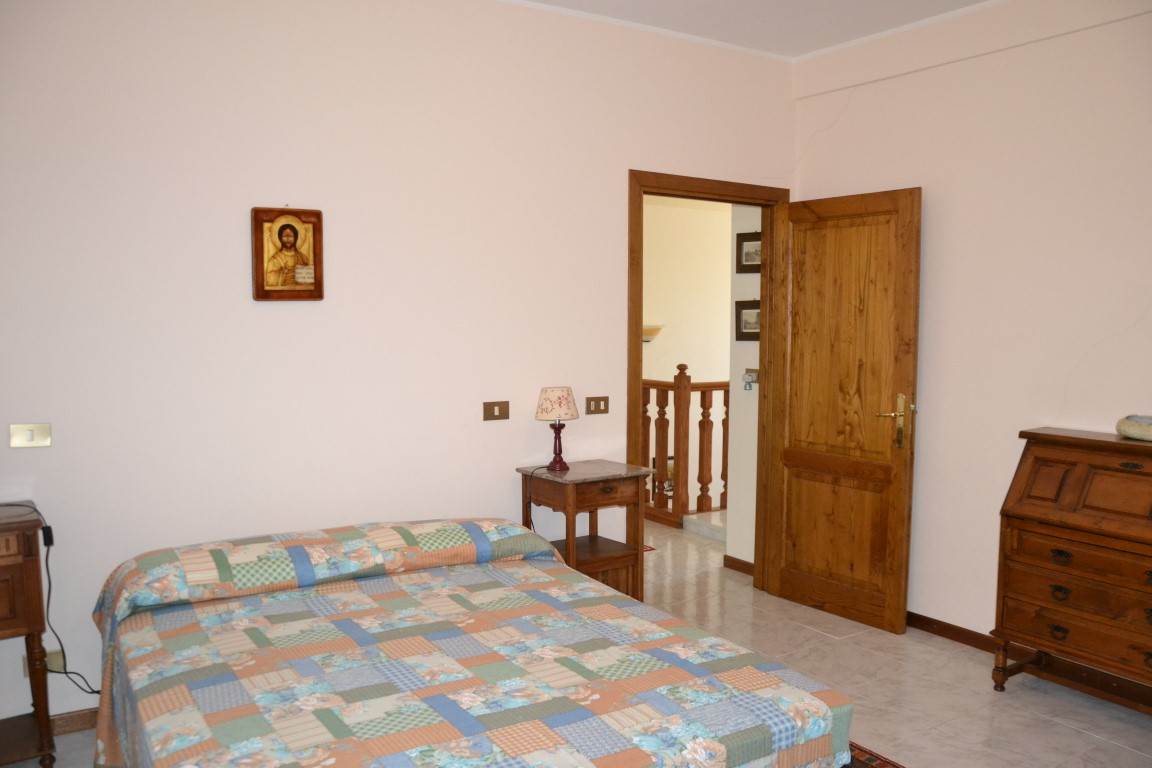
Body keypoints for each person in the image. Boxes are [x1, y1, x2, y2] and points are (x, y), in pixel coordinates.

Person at [265, 223, 313, 288]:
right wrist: (282, 273)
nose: (288, 239)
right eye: (285, 236)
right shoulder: (275, 259)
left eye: (291, 236)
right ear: (280, 238)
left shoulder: (303, 258)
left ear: (295, 238)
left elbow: (310, 280)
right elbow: (269, 281)